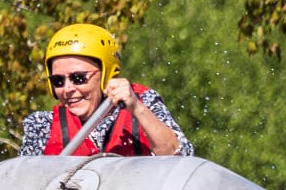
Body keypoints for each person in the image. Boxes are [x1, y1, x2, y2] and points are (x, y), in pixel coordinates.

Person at [19, 23, 191, 157]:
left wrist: (137, 108)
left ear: (106, 75)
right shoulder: (42, 125)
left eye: (78, 78)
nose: (68, 89)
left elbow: (180, 156)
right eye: (58, 81)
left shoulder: (143, 103)